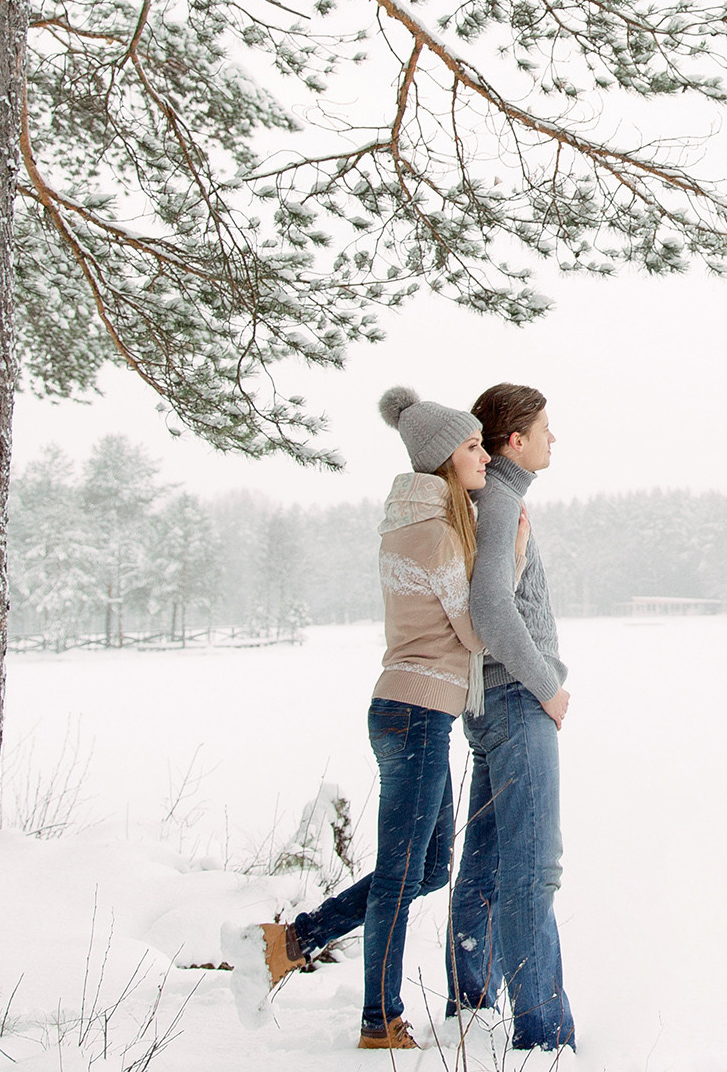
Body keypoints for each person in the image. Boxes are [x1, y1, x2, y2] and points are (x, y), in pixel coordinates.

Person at [223, 385, 489, 1050]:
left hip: (407, 709)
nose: (483, 456)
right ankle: (379, 1019)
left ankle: (293, 940)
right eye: (473, 446)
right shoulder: (436, 535)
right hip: (417, 712)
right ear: (442, 459)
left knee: (426, 866)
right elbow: (478, 629)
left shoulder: (411, 522)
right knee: (405, 870)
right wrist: (506, 553)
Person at [445, 381, 576, 1052]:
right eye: (545, 428)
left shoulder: (497, 499)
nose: (556, 438)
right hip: (516, 702)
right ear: (514, 439)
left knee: (489, 859)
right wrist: (547, 684)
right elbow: (493, 609)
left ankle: (469, 1003)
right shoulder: (499, 501)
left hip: (494, 703)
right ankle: (544, 1036)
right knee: (532, 868)